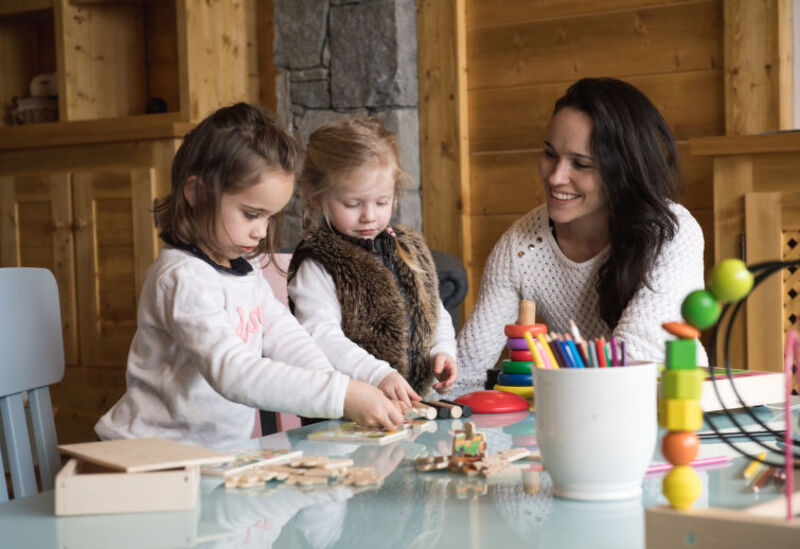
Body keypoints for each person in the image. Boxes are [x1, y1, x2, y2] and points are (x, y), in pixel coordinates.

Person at [95, 103, 404, 448]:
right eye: (251, 214)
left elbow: (285, 336)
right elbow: (233, 371)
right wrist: (341, 394)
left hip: (215, 457)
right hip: (149, 457)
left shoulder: (246, 270)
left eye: (269, 218)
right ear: (196, 193)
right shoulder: (182, 277)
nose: (260, 231)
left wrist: (340, 383)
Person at [456, 77, 708, 392]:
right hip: (578, 413)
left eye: (581, 164)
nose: (556, 177)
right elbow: (464, 373)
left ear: (622, 171)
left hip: (673, 413)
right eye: (550, 154)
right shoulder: (520, 246)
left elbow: (634, 357)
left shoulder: (671, 232)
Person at [287, 116, 458, 408]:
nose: (369, 216)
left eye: (381, 202)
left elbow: (435, 312)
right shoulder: (319, 263)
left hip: (411, 407)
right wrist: (378, 374)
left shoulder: (408, 249)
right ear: (318, 198)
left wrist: (443, 350)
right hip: (346, 413)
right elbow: (320, 336)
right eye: (353, 204)